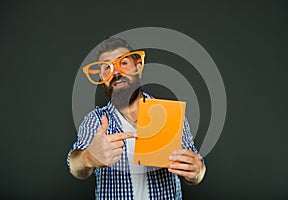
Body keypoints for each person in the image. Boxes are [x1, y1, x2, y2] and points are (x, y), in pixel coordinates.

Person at [67, 37, 206, 200]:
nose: (116, 72)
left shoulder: (169, 114)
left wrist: (197, 171)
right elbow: (75, 165)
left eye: (123, 63)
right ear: (101, 79)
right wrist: (88, 157)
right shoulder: (96, 120)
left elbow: (195, 168)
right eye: (107, 67)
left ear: (139, 68)